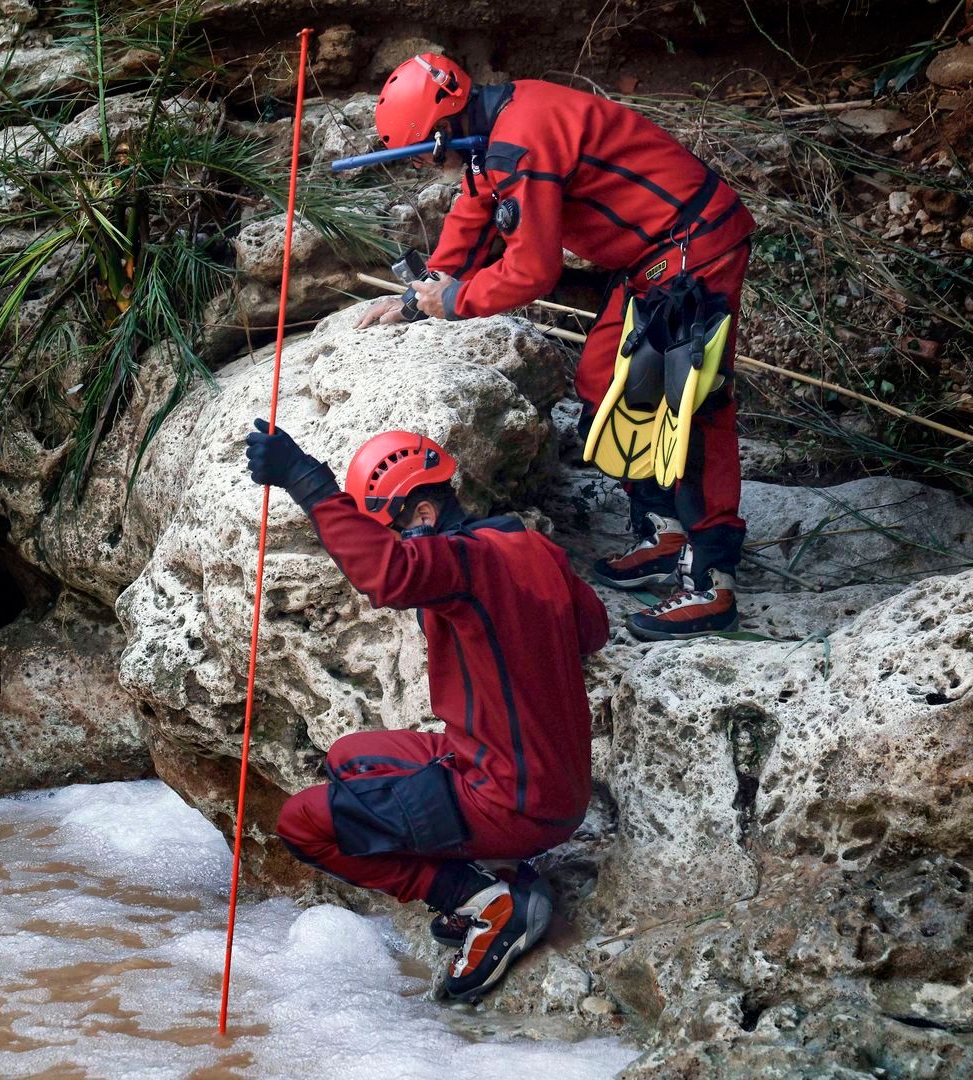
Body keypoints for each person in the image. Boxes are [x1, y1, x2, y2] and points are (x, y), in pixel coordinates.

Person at [354, 54, 755, 640]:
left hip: (695, 248)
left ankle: (712, 578)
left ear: (443, 130)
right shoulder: (493, 132)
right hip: (652, 254)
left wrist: (456, 301)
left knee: (688, 403)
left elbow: (532, 272)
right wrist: (422, 293)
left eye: (423, 152)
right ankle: (664, 532)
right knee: (601, 382)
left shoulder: (520, 142)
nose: (424, 165)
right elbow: (476, 210)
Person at [245, 419, 608, 1003]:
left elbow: (389, 575)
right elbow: (593, 630)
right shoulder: (533, 547)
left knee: (302, 823)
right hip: (550, 781)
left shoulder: (463, 563)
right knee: (349, 758)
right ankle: (502, 872)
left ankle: (483, 901)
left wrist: (304, 479)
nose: (391, 543)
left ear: (422, 517)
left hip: (513, 798)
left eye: (392, 529)